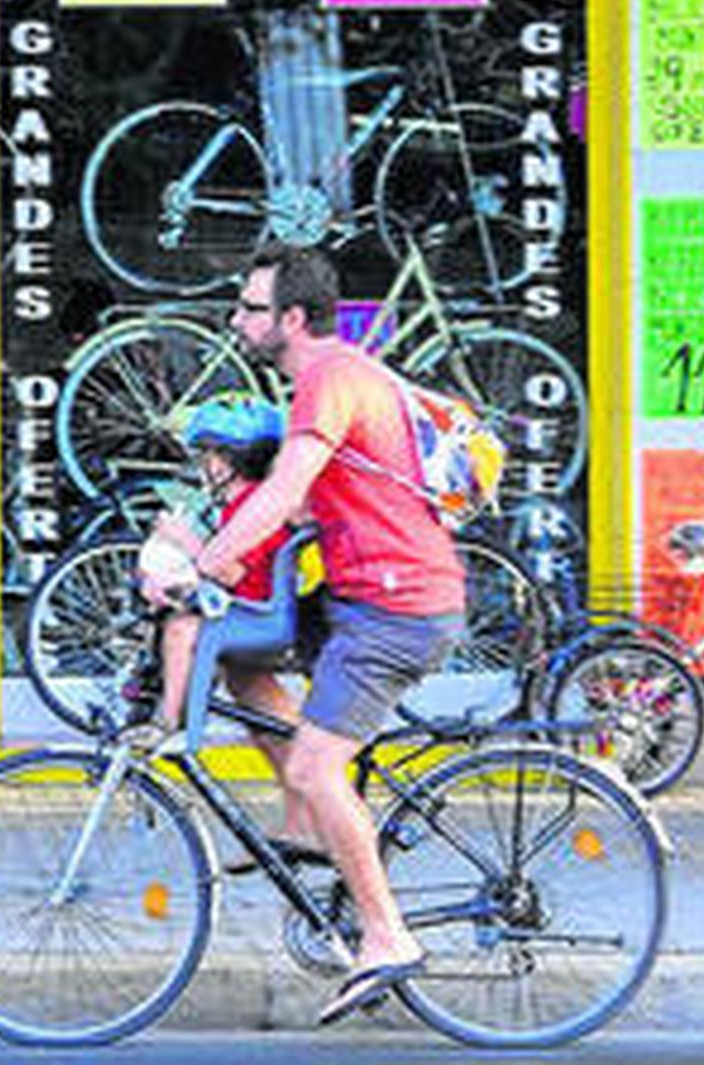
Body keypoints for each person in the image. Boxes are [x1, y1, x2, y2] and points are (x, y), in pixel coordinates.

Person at [192, 244, 466, 1025]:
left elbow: (287, 488)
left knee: (317, 761)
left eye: (250, 306)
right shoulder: (342, 376)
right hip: (360, 592)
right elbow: (310, 507)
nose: (238, 319)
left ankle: (386, 935)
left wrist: (210, 562)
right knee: (244, 662)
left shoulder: (329, 378)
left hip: (395, 606)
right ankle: (309, 820)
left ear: (293, 318)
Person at [135, 394, 326, 864]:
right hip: (248, 611)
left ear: (234, 459)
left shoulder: (254, 506)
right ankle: (304, 823)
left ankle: (169, 722)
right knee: (254, 701)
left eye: (209, 455)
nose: (204, 466)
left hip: (259, 615)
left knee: (182, 630)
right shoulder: (242, 502)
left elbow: (233, 573)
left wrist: (184, 542)